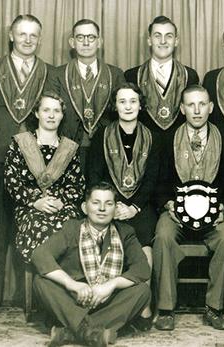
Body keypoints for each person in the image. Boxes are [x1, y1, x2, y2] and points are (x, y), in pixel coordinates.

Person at [0, 14, 50, 312]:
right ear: (11, 35)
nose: (27, 39)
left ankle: (32, 297)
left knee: (35, 223)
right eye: (22, 34)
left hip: (35, 161)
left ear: (39, 39)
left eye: (33, 35)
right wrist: (0, 136)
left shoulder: (47, 71)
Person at [152, 85, 224, 331]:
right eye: (191, 105)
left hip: (214, 215)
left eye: (202, 104)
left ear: (211, 107)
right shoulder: (168, 138)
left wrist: (223, 207)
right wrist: (167, 204)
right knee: (162, 236)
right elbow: (158, 182)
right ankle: (166, 309)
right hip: (176, 214)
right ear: (182, 109)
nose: (197, 110)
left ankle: (214, 307)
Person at [31, 182, 151, 347]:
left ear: (116, 209)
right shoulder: (72, 228)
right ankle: (93, 333)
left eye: (108, 204)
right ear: (85, 207)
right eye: (96, 203)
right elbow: (40, 255)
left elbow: (142, 268)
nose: (102, 209)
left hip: (107, 302)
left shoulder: (125, 232)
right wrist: (72, 284)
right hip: (73, 300)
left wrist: (111, 285)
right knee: (41, 281)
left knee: (142, 290)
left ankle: (69, 332)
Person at [87, 82, 161, 324]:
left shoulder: (153, 137)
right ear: (115, 106)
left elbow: (153, 179)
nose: (128, 106)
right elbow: (93, 176)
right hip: (109, 203)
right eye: (122, 101)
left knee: (145, 237)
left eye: (133, 101)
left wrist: (134, 207)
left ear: (141, 105)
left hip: (141, 204)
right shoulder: (102, 135)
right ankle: (105, 301)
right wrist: (113, 205)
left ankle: (144, 306)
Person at [4, 91, 85, 264]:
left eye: (56, 111)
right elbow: (12, 182)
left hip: (62, 207)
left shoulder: (69, 148)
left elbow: (77, 186)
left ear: (62, 115)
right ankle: (46, 281)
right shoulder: (20, 143)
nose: (51, 115)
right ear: (36, 113)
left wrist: (61, 201)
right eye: (46, 110)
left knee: (71, 227)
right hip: (30, 208)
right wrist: (36, 201)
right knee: (37, 224)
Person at [49, 19, 125, 168]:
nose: (86, 42)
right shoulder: (57, 74)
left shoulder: (115, 74)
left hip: (106, 147)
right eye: (80, 37)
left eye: (91, 37)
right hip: (66, 148)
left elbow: (121, 113)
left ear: (99, 42)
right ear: (72, 42)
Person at [125, 16, 199, 139]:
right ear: (149, 40)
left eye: (169, 36)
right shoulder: (132, 76)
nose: (163, 41)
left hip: (180, 146)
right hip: (143, 147)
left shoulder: (189, 75)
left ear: (176, 41)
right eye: (157, 36)